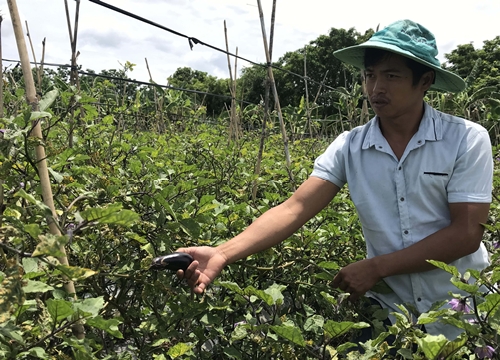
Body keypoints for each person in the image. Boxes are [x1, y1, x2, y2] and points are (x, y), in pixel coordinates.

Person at [176, 19, 493, 341]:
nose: (375, 88)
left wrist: (376, 267)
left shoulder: (465, 139)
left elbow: (465, 234)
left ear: (424, 81)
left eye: (391, 76)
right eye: (369, 75)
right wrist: (223, 253)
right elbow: (295, 208)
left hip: (462, 307)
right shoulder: (349, 146)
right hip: (391, 312)